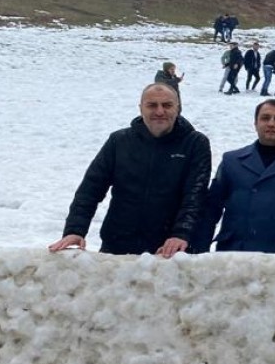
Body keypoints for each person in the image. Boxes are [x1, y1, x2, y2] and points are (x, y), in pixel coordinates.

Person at [50, 84, 211, 258]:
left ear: (178, 108)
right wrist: (75, 230)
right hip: (117, 245)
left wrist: (180, 234)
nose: (159, 111)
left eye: (167, 105)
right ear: (140, 108)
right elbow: (90, 189)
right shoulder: (119, 141)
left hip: (168, 249)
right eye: (152, 105)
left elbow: (195, 195)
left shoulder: (195, 144)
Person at [196, 100, 275, 253]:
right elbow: (211, 210)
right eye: (265, 118)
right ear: (255, 124)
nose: (271, 124)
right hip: (233, 254)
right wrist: (199, 250)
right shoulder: (232, 161)